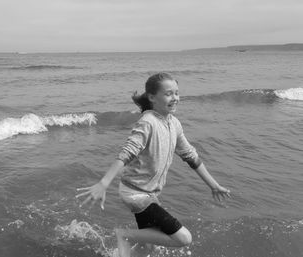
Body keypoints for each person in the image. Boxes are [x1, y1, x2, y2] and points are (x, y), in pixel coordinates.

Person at [76, 72, 230, 257]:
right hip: (135, 193)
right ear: (151, 97)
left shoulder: (174, 124)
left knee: (147, 246)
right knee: (183, 238)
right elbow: (127, 152)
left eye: (177, 93)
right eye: (168, 94)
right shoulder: (148, 122)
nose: (175, 98)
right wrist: (104, 183)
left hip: (149, 193)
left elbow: (191, 156)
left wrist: (214, 185)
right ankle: (123, 235)